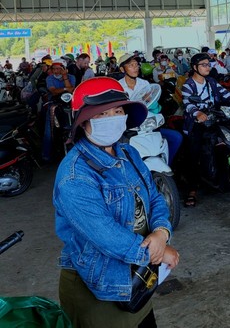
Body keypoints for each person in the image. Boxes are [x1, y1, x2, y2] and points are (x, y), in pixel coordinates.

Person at [53, 77, 179, 328]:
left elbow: (154, 197)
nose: (112, 118)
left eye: (118, 111)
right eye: (102, 114)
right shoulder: (75, 175)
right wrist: (158, 251)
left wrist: (161, 232)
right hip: (99, 285)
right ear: (84, 122)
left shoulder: (129, 153)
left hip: (138, 277)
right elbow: (104, 234)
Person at [180, 53, 230, 207]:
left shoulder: (211, 81)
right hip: (196, 123)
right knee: (195, 154)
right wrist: (198, 113)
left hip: (215, 117)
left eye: (208, 64)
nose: (207, 67)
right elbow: (188, 104)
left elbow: (226, 94)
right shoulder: (188, 85)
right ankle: (192, 189)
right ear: (194, 67)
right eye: (203, 64)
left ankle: (227, 175)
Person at [118, 54, 183, 166]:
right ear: (122, 69)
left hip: (148, 126)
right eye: (131, 65)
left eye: (136, 64)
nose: (135, 67)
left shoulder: (145, 84)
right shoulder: (118, 87)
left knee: (176, 138)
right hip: (129, 130)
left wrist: (154, 106)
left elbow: (153, 104)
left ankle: (166, 165)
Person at [42, 59, 76, 162]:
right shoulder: (49, 78)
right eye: (54, 69)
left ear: (64, 69)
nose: (56, 71)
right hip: (54, 104)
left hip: (70, 105)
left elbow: (72, 90)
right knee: (49, 130)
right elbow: (54, 91)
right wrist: (66, 88)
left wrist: (65, 77)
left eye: (59, 69)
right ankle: (46, 155)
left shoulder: (71, 77)